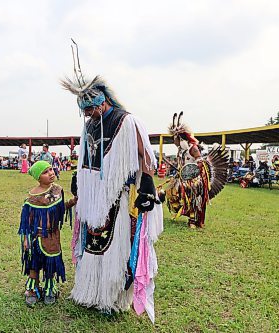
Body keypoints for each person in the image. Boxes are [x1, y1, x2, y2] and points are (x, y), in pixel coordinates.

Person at [61, 73, 163, 322]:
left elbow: (146, 157)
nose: (87, 115)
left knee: (113, 246)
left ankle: (111, 297)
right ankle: (91, 292)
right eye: (84, 112)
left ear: (102, 102)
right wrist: (79, 177)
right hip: (92, 199)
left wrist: (147, 185)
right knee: (92, 245)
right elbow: (87, 154)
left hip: (116, 197)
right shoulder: (89, 126)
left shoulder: (127, 122)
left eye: (90, 110)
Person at [18, 161, 74, 306]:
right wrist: (26, 240)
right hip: (36, 237)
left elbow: (61, 209)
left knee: (50, 265)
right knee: (34, 266)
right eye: (45, 172)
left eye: (50, 169)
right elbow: (26, 222)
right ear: (38, 177)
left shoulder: (57, 190)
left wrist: (72, 202)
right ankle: (33, 288)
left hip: (52, 237)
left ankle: (50, 288)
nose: (50, 173)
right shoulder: (32, 198)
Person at [162, 112, 229, 228]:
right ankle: (181, 210)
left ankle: (193, 220)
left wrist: (190, 172)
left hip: (193, 180)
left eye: (176, 139)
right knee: (170, 192)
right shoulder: (181, 150)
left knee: (190, 195)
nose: (174, 142)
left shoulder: (193, 149)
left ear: (182, 138)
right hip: (181, 177)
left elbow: (200, 163)